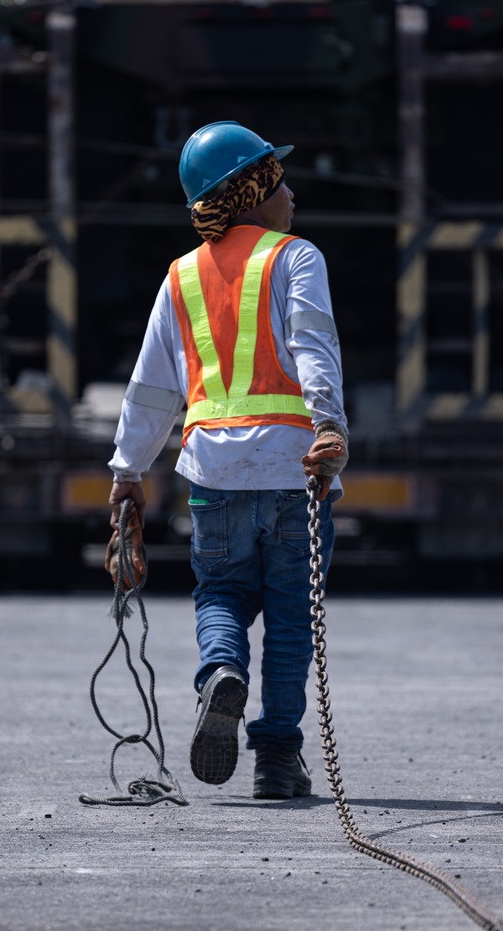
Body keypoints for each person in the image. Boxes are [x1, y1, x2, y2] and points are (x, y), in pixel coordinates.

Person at [108, 122, 348, 799]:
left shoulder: (180, 275)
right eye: (278, 180)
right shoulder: (296, 258)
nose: (291, 194)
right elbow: (314, 345)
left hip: (211, 470)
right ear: (250, 193)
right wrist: (328, 424)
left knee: (220, 593)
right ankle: (276, 761)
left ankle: (219, 672)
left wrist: (128, 472)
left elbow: (151, 386)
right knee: (291, 616)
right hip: (293, 468)